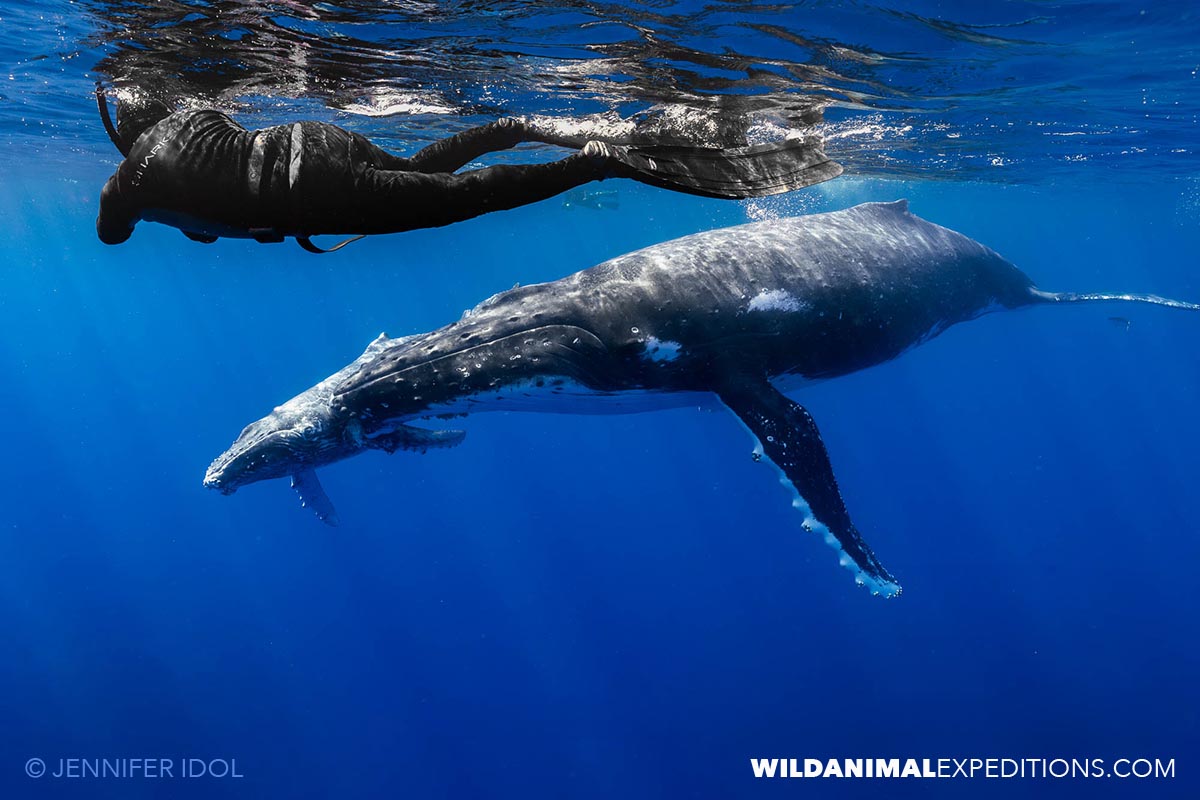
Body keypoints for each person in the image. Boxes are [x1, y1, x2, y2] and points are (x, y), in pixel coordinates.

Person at [95, 90, 842, 252]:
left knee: (462, 200)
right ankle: (506, 127)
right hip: (318, 145)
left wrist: (140, 198)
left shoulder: (127, 181)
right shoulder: (187, 118)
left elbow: (110, 236)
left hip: (310, 192)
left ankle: (596, 161)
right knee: (422, 172)